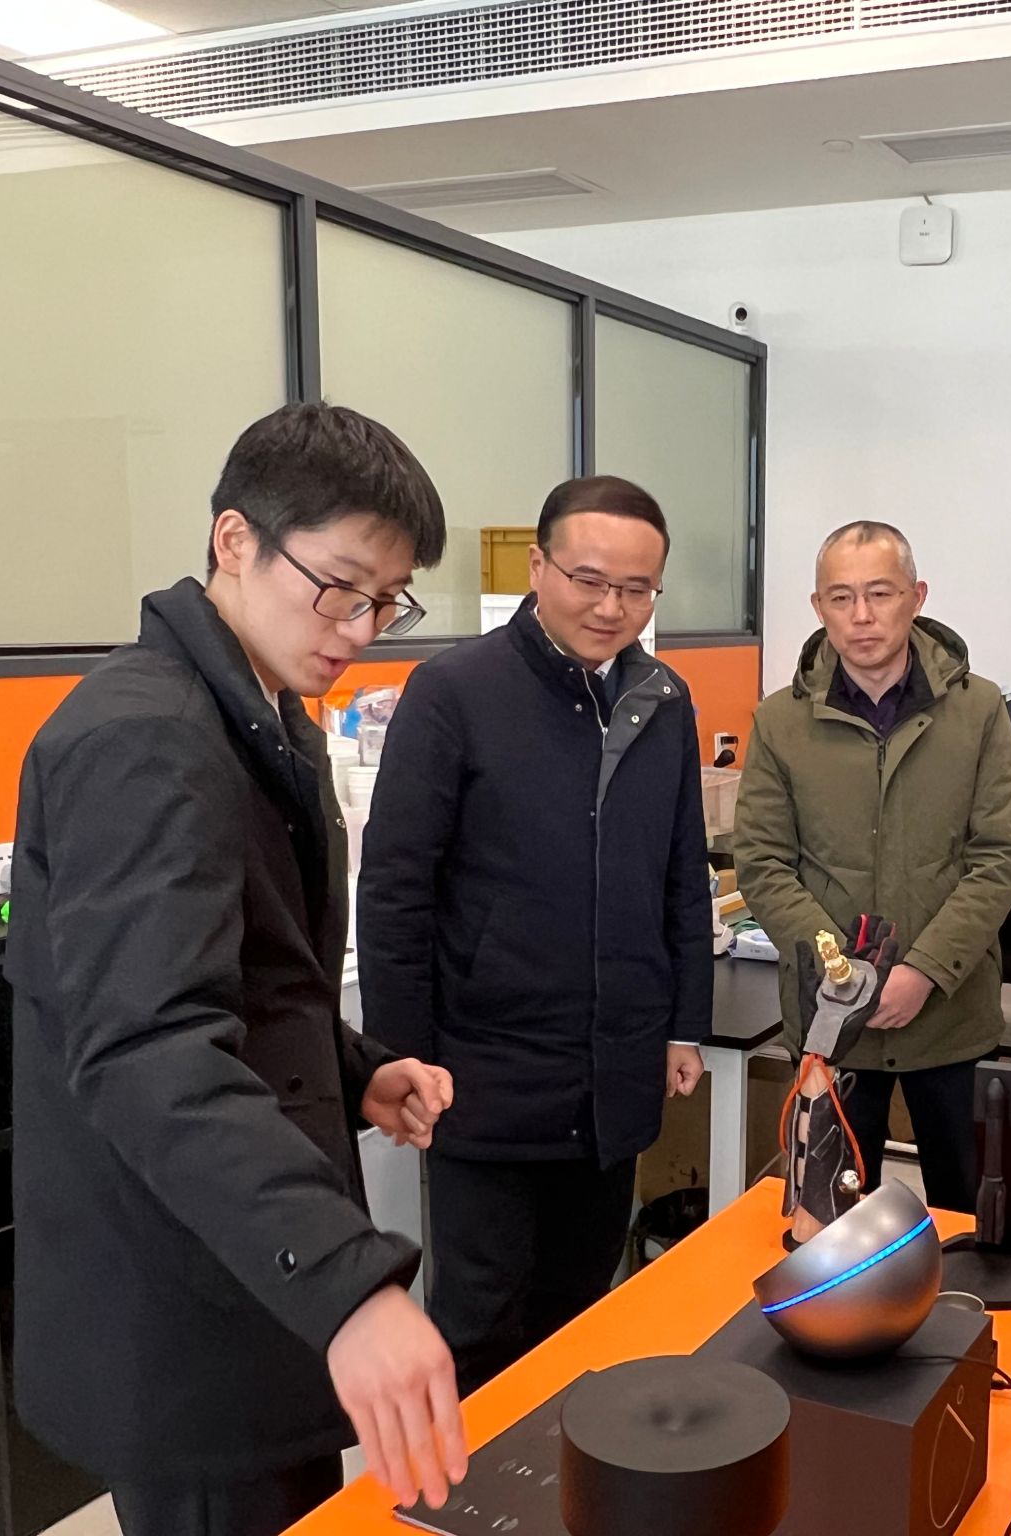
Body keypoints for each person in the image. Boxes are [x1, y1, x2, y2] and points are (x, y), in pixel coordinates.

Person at [6, 404, 467, 1534]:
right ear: (234, 540)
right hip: (185, 1304)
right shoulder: (144, 736)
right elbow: (150, 1048)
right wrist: (351, 1282)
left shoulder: (259, 711)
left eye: (387, 601)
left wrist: (352, 1068)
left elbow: (249, 976)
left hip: (247, 1273)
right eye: (340, 588)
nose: (361, 629)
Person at [358, 475, 710, 1397]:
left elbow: (682, 872)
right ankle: (469, 1480)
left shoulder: (662, 701)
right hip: (488, 1072)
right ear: (537, 567)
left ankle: (563, 1472)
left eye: (636, 589)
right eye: (589, 580)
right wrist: (400, 1057)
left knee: (582, 1311)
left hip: (615, 1067)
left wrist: (684, 1024)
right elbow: (395, 889)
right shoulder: (454, 691)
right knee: (481, 1320)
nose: (611, 607)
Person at [733, 521, 1011, 1212]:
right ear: (819, 607)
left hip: (950, 1015)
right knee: (830, 1225)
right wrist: (844, 974)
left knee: (971, 1222)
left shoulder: (978, 710)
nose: (861, 616)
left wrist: (923, 971)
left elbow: (998, 857)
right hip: (832, 1025)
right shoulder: (780, 721)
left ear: (916, 597)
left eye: (880, 593)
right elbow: (764, 861)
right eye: (841, 598)